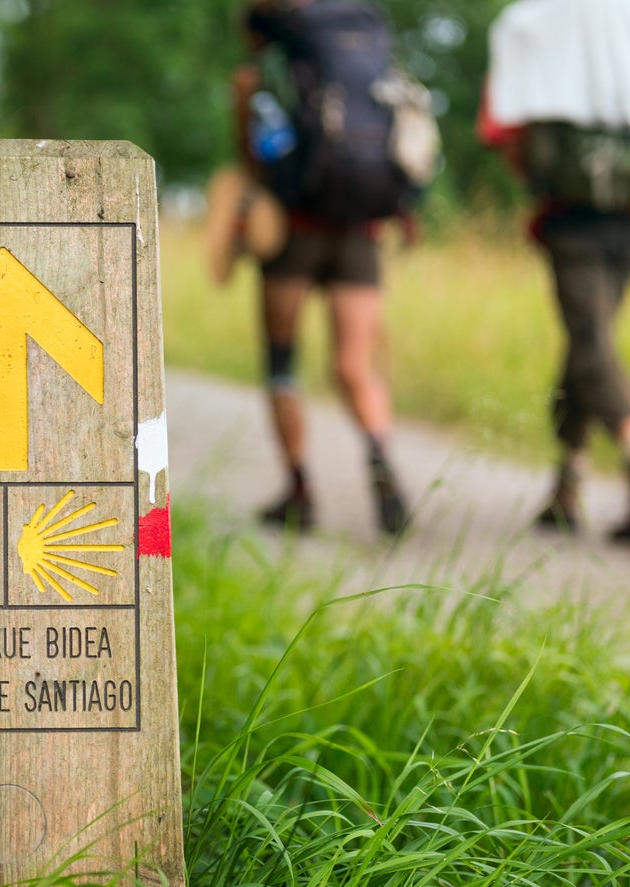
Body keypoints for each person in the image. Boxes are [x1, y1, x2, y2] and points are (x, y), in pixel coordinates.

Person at [478, 0, 630, 544]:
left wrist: (540, 177)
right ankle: (567, 487)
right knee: (588, 345)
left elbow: (500, 127)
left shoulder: (531, 23)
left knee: (590, 344)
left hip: (572, 217)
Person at [231, 0, 412, 537]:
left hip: (295, 230)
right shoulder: (365, 49)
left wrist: (241, 107)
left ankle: (299, 489)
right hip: (361, 228)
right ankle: (380, 456)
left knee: (282, 361)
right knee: (355, 366)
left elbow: (257, 155)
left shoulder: (273, 66)